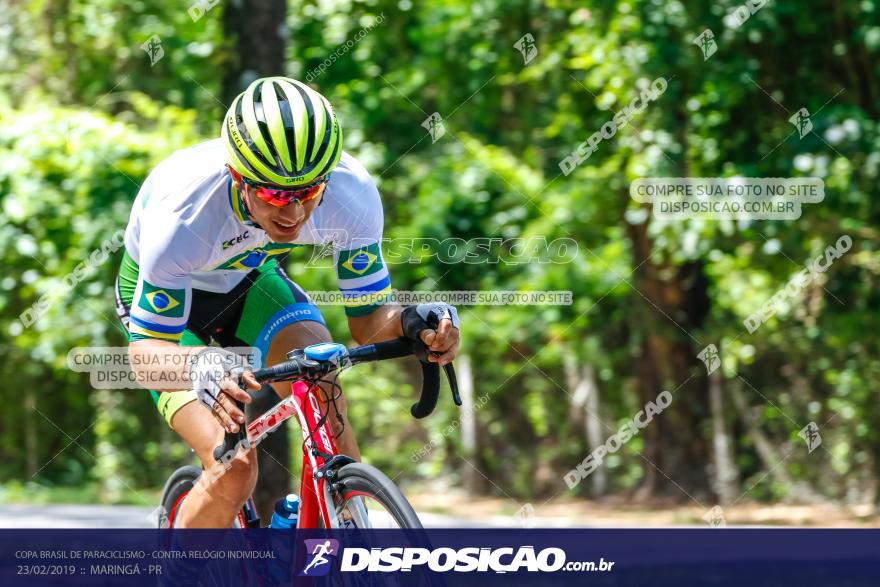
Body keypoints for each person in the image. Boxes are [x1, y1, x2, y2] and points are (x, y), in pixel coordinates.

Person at [116, 76, 460, 527]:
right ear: (238, 178)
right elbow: (145, 357)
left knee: (322, 379)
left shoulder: (349, 193)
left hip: (250, 281)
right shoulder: (183, 218)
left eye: (309, 192)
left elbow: (370, 320)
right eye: (275, 193)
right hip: (170, 323)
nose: (294, 212)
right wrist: (200, 363)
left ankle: (332, 546)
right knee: (235, 466)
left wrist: (417, 323)